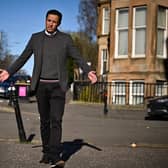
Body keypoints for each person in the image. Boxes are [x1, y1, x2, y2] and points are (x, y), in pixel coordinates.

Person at [0, 9, 97, 168]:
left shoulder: (65, 39)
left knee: (56, 120)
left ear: (58, 23)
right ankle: (46, 152)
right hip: (41, 86)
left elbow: (77, 56)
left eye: (54, 21)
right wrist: (9, 71)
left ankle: (56, 155)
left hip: (58, 86)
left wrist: (88, 71)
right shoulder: (36, 38)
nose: (51, 24)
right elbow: (23, 57)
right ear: (45, 20)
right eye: (49, 20)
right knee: (44, 121)